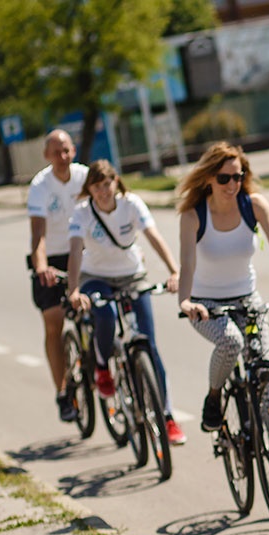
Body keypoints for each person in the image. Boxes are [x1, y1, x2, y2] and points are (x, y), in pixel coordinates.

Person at [176, 142, 269, 432]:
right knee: (231, 342)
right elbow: (187, 264)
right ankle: (215, 397)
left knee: (262, 363)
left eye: (238, 176)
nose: (233, 184)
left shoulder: (253, 205)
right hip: (207, 305)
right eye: (224, 178)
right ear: (208, 178)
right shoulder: (194, 215)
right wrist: (184, 301)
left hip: (248, 299)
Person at [66, 159, 186, 446]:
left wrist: (174, 271)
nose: (103, 191)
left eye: (107, 184)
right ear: (89, 189)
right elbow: (74, 252)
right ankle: (102, 366)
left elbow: (153, 237)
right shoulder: (82, 213)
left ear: (115, 182)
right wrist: (73, 290)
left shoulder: (131, 204)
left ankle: (167, 417)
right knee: (105, 315)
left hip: (132, 275)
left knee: (149, 343)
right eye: (96, 187)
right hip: (96, 277)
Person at [26, 130, 88, 423]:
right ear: (47, 156)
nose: (62, 157)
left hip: (86, 252)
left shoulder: (84, 177)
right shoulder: (40, 186)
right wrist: (41, 268)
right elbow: (38, 235)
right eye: (56, 152)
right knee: (53, 320)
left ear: (73, 151)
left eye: (66, 151)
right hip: (52, 257)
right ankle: (63, 391)